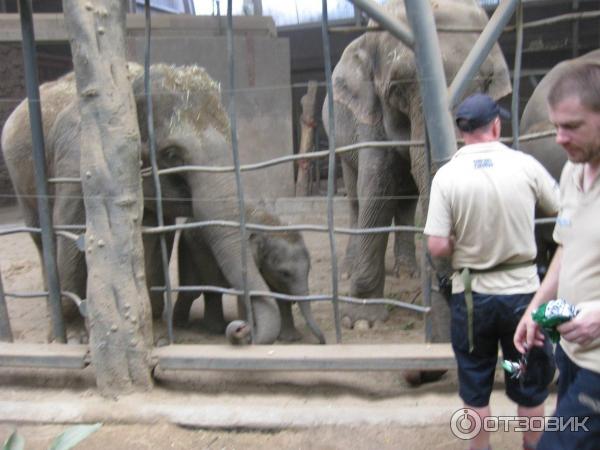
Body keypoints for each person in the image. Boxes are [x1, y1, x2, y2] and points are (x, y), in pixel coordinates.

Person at [424, 93, 559, 450]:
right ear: (496, 125)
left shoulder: (446, 176)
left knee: (474, 384)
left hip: (471, 298)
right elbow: (563, 209)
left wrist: (462, 249)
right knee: (530, 384)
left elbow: (437, 246)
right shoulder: (525, 165)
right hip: (524, 294)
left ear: (461, 131)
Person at [514, 62, 600, 450]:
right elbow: (566, 248)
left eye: (572, 126)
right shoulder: (572, 172)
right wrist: (536, 308)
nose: (560, 138)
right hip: (573, 351)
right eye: (556, 126)